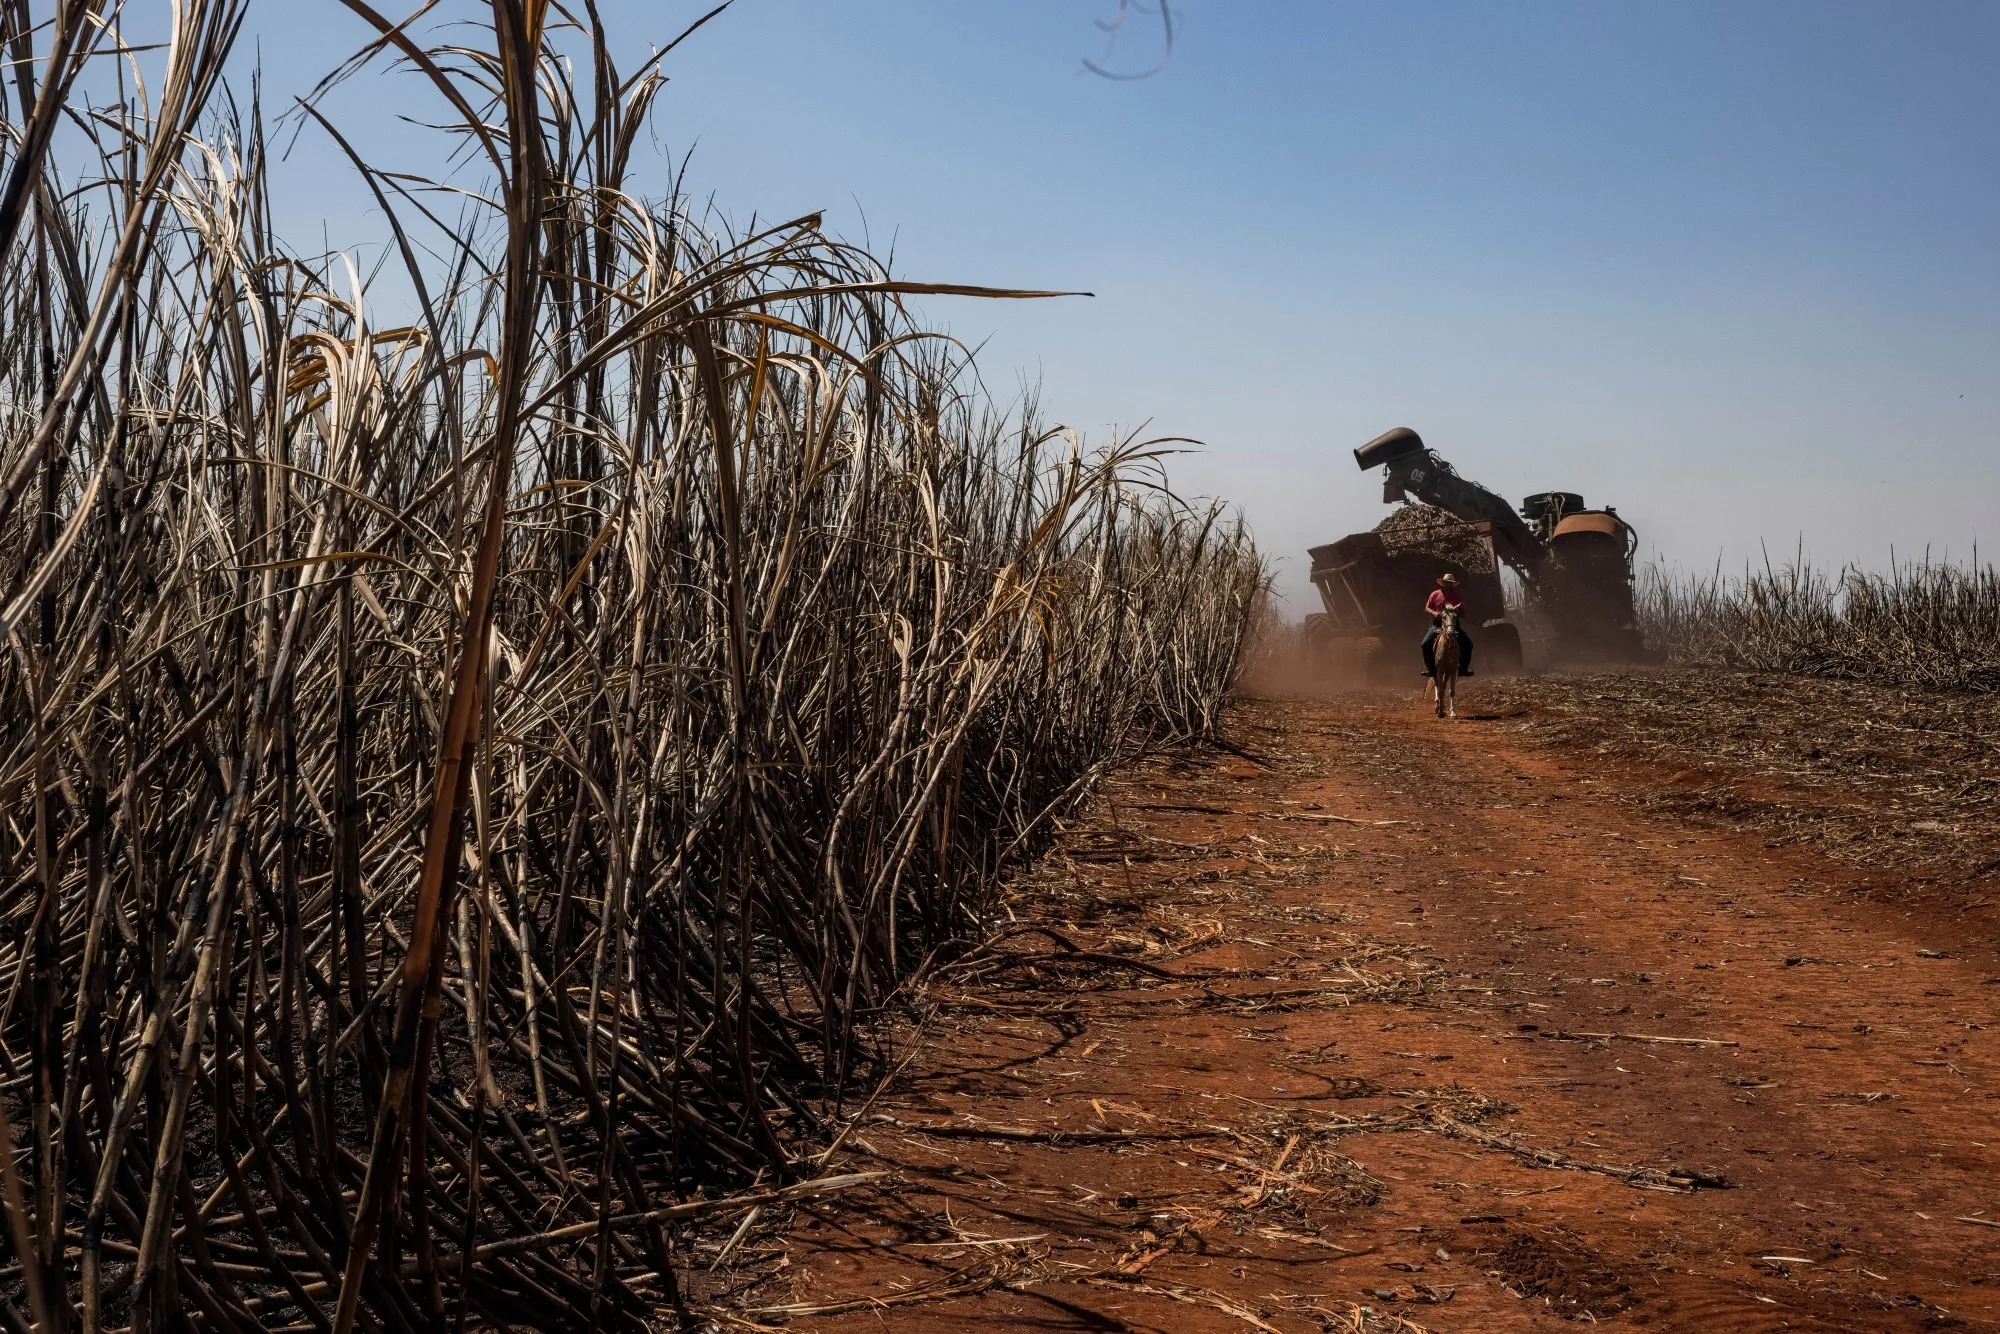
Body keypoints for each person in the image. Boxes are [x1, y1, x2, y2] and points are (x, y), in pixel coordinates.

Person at [1421, 572, 1474, 677]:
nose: (1448, 585)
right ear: (1443, 583)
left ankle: (1463, 668)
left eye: (1450, 583)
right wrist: (1434, 613)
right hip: (1438, 623)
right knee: (1425, 643)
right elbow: (1427, 607)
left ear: (1453, 584)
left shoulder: (1457, 597)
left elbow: (1464, 613)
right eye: (1446, 582)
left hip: (1453, 623)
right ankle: (1431, 669)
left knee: (1468, 643)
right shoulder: (1435, 594)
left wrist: (1459, 611)